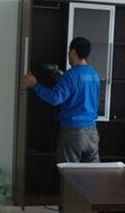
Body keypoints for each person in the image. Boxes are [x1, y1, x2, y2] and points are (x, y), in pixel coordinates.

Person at [21, 37, 100, 165]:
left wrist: (35, 85)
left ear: (73, 52)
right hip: (92, 131)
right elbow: (81, 92)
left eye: (69, 51)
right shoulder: (94, 75)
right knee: (91, 173)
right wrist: (61, 78)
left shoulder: (71, 76)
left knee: (69, 172)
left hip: (73, 132)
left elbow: (55, 98)